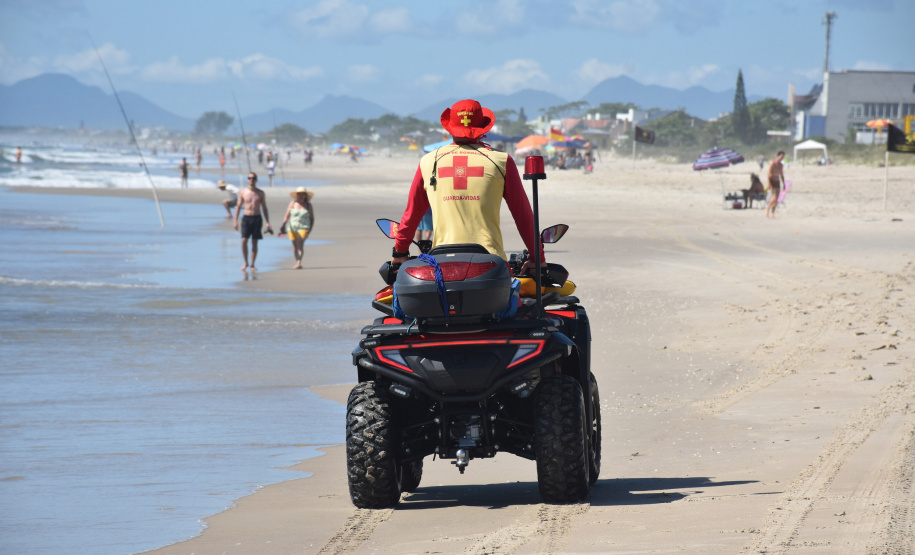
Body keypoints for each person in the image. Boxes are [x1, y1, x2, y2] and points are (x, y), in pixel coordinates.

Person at [390, 99, 541, 274]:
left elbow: (411, 215)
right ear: (482, 127)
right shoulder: (500, 161)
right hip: (491, 265)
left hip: (442, 265)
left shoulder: (428, 161)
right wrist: (538, 259)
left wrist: (400, 251)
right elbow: (523, 216)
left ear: (450, 127)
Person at [233, 172, 273, 271]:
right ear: (247, 180)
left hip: (257, 218)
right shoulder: (243, 192)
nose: (251, 180)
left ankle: (252, 264)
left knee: (254, 242)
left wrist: (268, 222)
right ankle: (245, 262)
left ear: (256, 180)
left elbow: (264, 208)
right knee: (244, 241)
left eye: (253, 178)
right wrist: (235, 220)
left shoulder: (260, 193)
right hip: (246, 218)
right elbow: (238, 207)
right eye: (249, 178)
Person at [281, 186, 315, 269]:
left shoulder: (308, 206)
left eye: (303, 194)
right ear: (297, 195)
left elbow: (312, 218)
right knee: (295, 246)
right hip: (292, 228)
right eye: (299, 194)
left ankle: (299, 262)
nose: (301, 196)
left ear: (305, 195)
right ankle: (297, 262)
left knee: (300, 243)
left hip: (304, 227)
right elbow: (287, 215)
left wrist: (310, 229)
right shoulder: (292, 203)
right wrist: (283, 225)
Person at [766, 151, 786, 219]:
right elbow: (768, 174)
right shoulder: (772, 163)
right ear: (778, 156)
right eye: (781, 156)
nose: (782, 158)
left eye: (783, 157)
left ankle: (772, 213)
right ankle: (768, 209)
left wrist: (784, 183)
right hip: (772, 181)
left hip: (777, 181)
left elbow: (782, 175)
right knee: (774, 197)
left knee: (776, 199)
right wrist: (768, 183)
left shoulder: (781, 165)